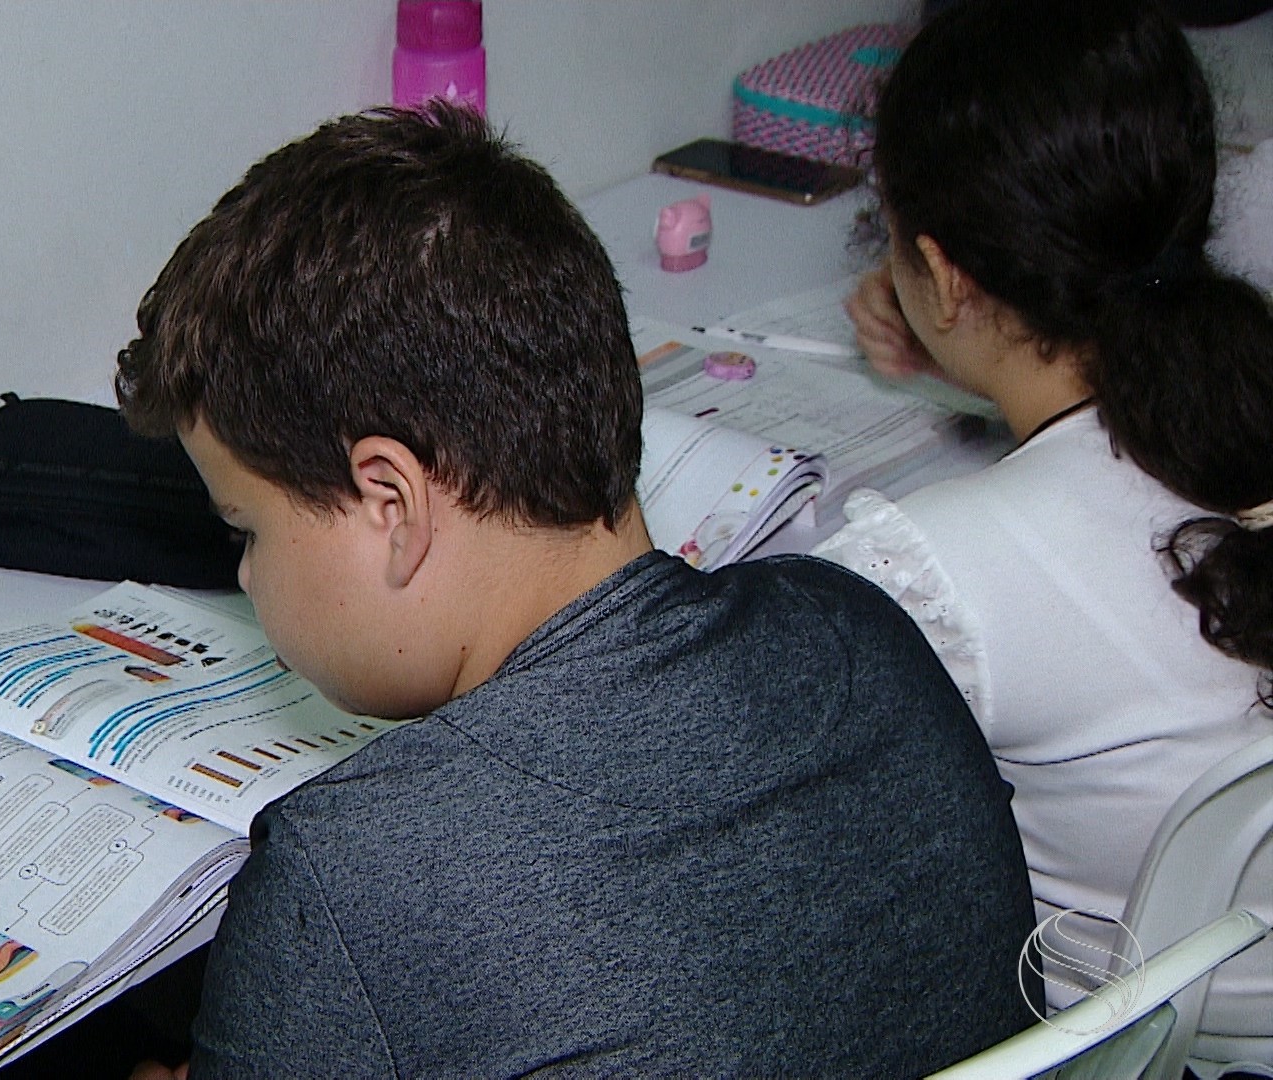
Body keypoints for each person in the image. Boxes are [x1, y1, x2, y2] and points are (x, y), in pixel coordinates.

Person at [114, 100, 1035, 1079]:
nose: (246, 574)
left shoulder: (343, 874)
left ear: (391, 503)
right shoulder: (861, 631)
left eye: (244, 529)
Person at [813, 0, 1273, 1029]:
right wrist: (971, 348)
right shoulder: (1236, 394)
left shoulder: (933, 568)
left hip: (1126, 1042)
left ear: (943, 275)